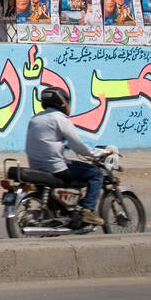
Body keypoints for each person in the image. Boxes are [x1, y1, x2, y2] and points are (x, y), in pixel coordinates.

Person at [25, 88, 107, 226]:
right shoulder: (59, 119)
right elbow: (78, 145)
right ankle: (88, 211)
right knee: (96, 174)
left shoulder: (35, 119)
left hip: (36, 165)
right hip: (55, 166)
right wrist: (98, 153)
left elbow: (44, 141)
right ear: (62, 102)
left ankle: (68, 208)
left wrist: (62, 146)